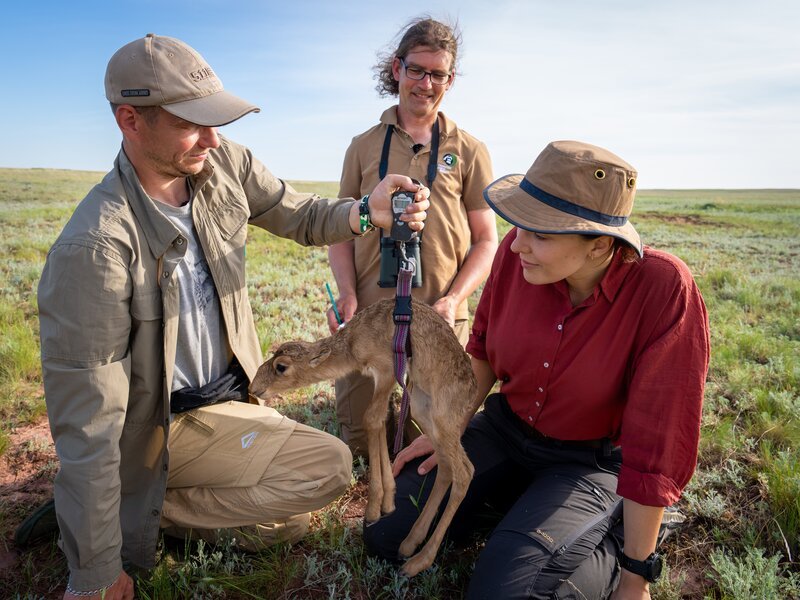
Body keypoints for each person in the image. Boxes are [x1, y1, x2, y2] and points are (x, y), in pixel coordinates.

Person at [36, 34, 431, 600]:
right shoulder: (95, 249)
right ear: (130, 120)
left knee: (287, 521)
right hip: (159, 429)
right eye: (192, 123)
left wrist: (364, 212)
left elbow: (300, 213)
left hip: (225, 403)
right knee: (328, 466)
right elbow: (89, 425)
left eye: (215, 121)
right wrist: (96, 571)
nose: (213, 138)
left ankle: (148, 508)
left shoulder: (224, 164)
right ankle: (130, 515)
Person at [366, 141, 710, 599]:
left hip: (588, 462)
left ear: (601, 245)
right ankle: (525, 516)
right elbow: (483, 349)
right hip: (506, 431)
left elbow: (656, 444)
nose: (517, 243)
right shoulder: (517, 251)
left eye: (541, 235)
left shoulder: (664, 291)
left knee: (507, 593)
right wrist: (449, 427)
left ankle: (608, 529)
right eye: (519, 225)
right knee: (386, 532)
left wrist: (635, 578)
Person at [326, 17, 497, 456]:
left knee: (434, 442)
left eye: (437, 73)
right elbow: (339, 229)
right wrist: (346, 293)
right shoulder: (361, 146)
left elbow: (485, 240)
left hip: (439, 317)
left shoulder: (471, 150)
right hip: (368, 316)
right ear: (397, 69)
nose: (426, 83)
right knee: (363, 443)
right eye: (416, 70)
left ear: (450, 79)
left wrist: (455, 300)